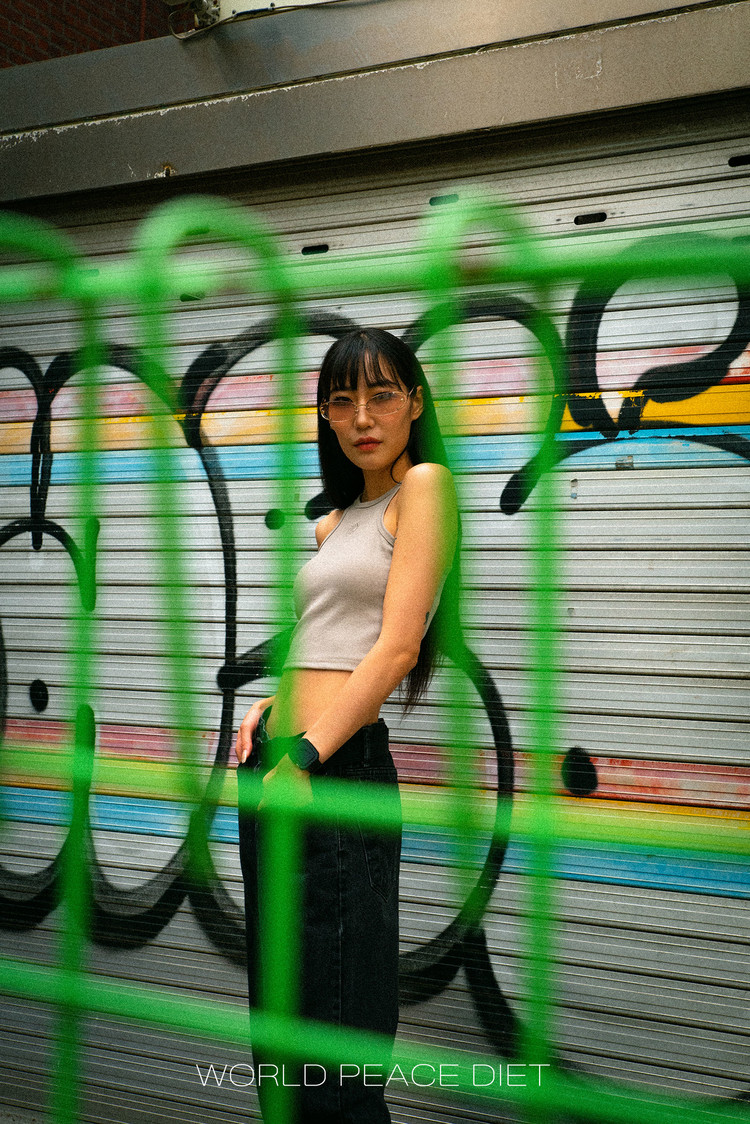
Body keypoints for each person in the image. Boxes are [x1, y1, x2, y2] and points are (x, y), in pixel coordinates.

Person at [235, 327, 459, 1123]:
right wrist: (274, 705)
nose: (362, 417)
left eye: (381, 395)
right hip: (275, 767)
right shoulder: (335, 522)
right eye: (342, 400)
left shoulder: (424, 487)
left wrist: (306, 750)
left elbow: (397, 647)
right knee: (280, 1034)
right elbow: (329, 637)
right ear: (326, 415)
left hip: (330, 771)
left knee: (337, 1041)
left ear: (415, 403)